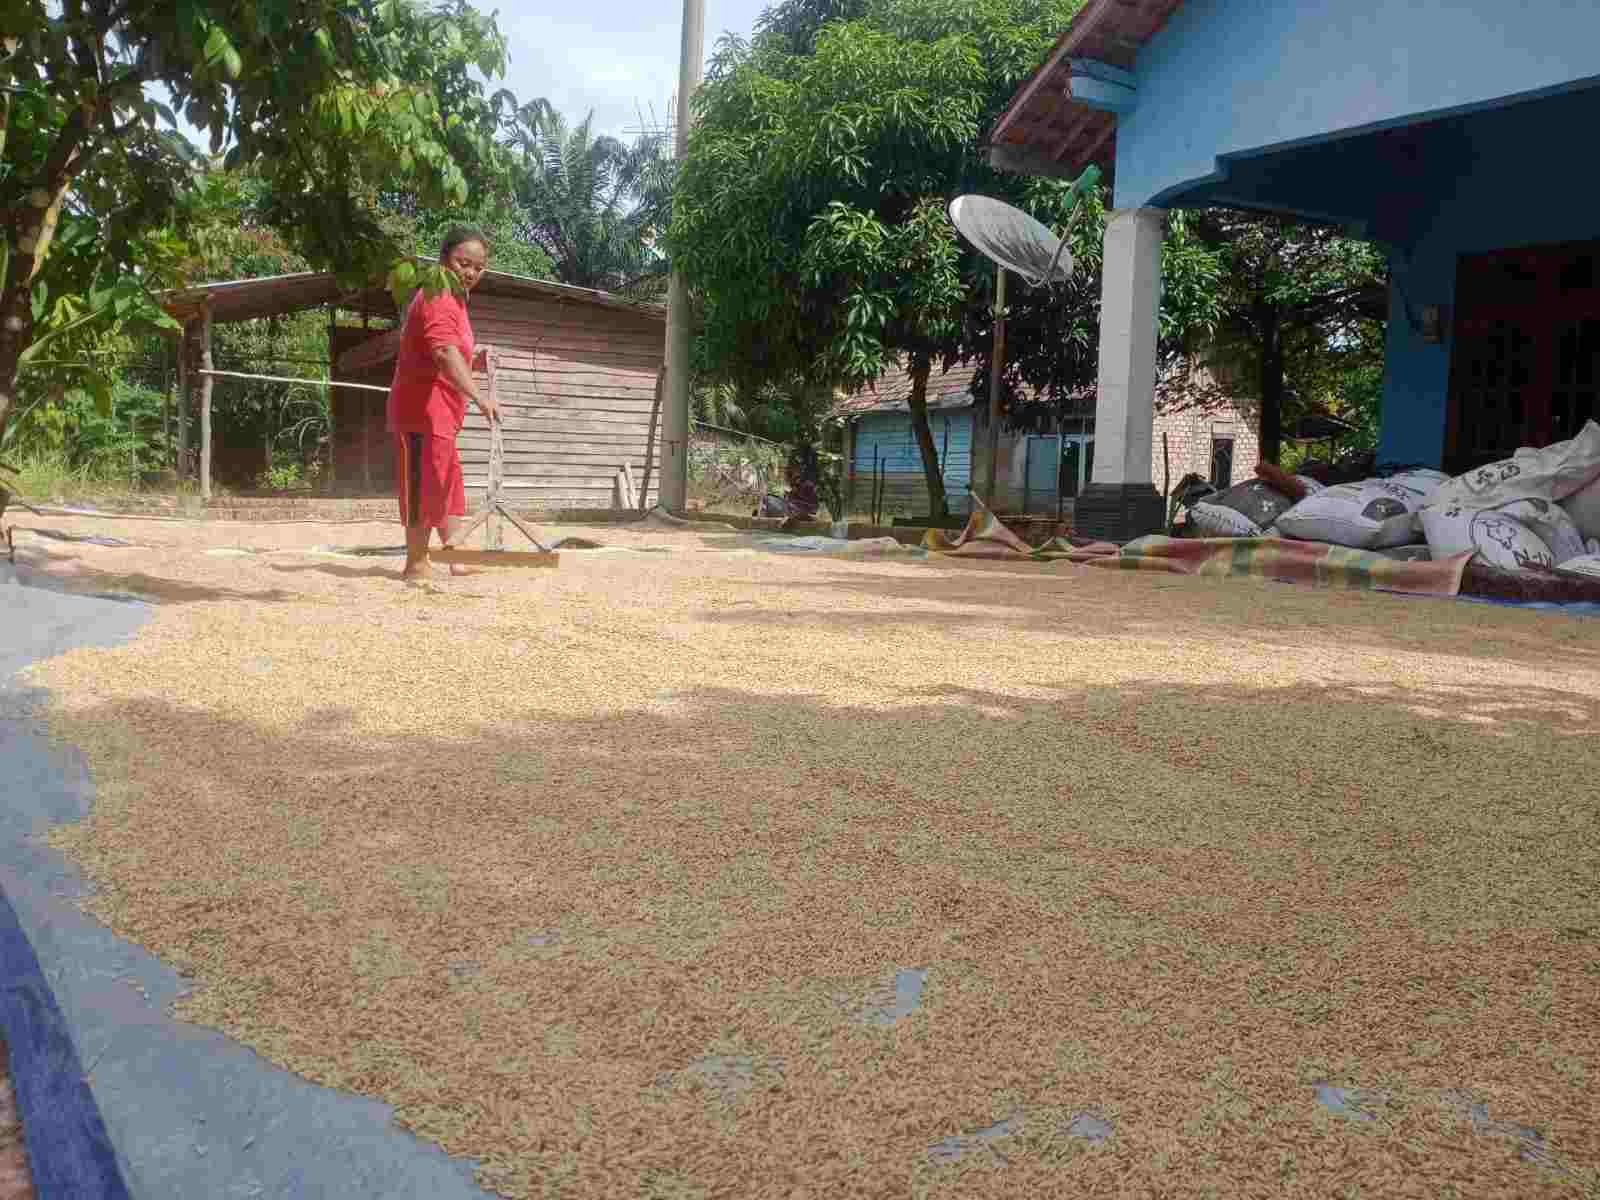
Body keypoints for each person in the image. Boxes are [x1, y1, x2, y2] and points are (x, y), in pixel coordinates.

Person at [386, 226, 500, 580]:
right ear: (443, 258)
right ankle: (416, 562)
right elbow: (443, 352)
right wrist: (479, 396)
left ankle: (456, 555)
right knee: (423, 482)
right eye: (463, 262)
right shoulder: (436, 296)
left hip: (443, 412)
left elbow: (454, 350)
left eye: (478, 268)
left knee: (447, 482)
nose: (470, 273)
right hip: (420, 409)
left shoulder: (456, 301)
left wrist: (475, 359)